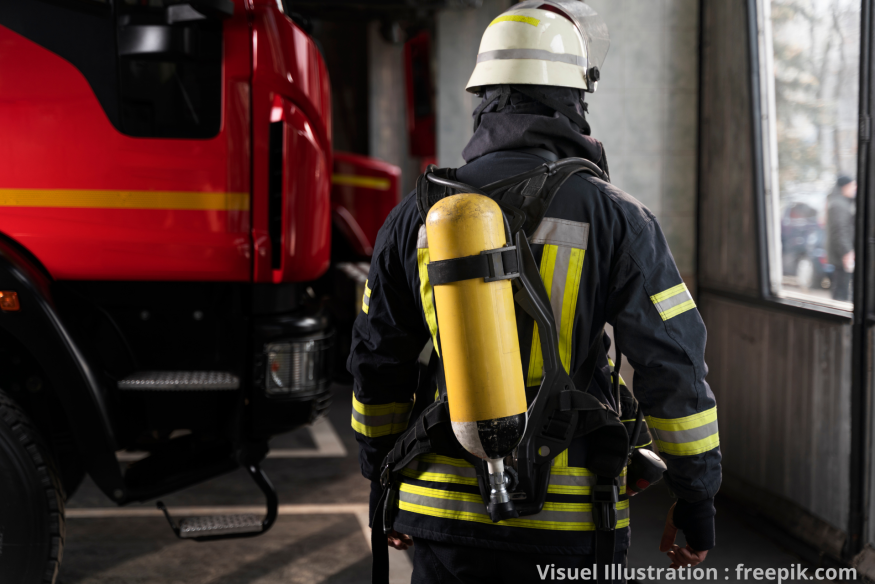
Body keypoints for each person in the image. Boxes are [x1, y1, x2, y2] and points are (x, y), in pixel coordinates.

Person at [348, 3, 721, 582]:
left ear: (485, 100)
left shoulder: (417, 216)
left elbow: (377, 366)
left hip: (441, 509)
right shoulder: (619, 218)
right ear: (573, 102)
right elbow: (672, 365)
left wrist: (384, 481)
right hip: (570, 521)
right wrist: (696, 502)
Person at [827, 175, 856, 302]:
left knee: (841, 288)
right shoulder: (839, 204)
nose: (855, 188)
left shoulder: (841, 202)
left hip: (842, 253)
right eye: (853, 185)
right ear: (845, 186)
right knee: (840, 291)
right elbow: (840, 230)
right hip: (842, 255)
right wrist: (847, 252)